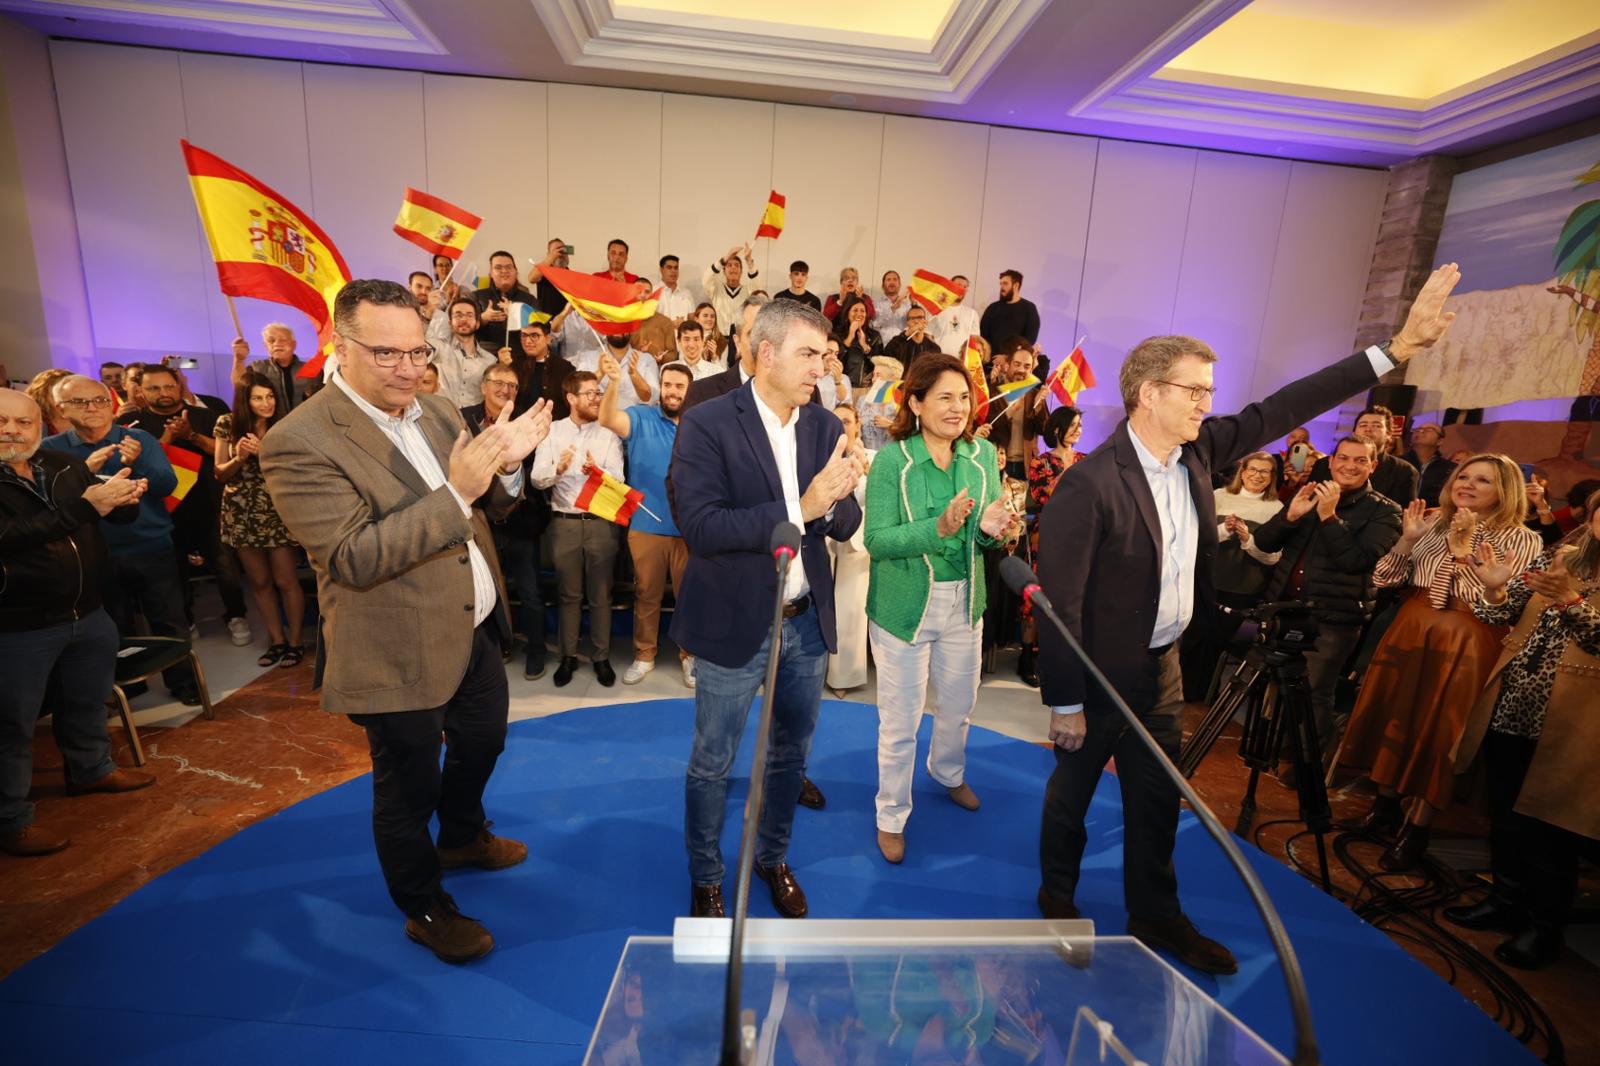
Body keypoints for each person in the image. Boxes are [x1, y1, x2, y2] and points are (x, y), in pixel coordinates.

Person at [1034, 263, 1465, 975]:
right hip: (1098, 675)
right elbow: (1060, 602)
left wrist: (1395, 348)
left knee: (1155, 796)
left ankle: (1156, 913)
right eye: (1195, 390)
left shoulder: (1200, 451)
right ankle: (1056, 900)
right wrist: (1067, 700)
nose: (1209, 402)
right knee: (1072, 794)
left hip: (1163, 665)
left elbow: (1288, 402)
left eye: (1210, 389)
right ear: (1149, 393)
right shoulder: (1089, 484)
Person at [260, 278, 554, 964]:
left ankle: (461, 835)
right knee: (406, 788)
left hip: (472, 630)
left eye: (417, 351)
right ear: (339, 344)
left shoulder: (437, 409)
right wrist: (461, 490)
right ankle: (424, 905)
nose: (408, 368)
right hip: (392, 646)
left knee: (483, 744)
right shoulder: (298, 440)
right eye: (386, 353)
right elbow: (354, 557)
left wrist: (507, 465)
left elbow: (487, 506)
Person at [670, 298, 864, 919]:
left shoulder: (825, 427)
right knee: (713, 759)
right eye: (809, 354)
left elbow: (845, 519)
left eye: (825, 355)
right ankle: (706, 876)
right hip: (734, 621)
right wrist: (799, 509)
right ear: (767, 354)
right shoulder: (706, 422)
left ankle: (772, 857)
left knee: (789, 754)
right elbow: (700, 525)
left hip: (804, 620)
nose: (821, 367)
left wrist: (834, 504)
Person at [1336, 453, 1542, 870]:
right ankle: (1385, 807)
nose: (1466, 484)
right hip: (1413, 625)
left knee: (1443, 729)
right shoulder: (1431, 522)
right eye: (1463, 476)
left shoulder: (1523, 539)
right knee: (1398, 715)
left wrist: (1464, 554)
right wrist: (1408, 540)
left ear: (1505, 491)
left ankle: (1419, 826)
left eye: (1482, 480)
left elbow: (1494, 602)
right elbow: (1384, 578)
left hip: (1470, 637)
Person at [864, 355, 1018, 864]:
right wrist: (941, 527)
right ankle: (891, 814)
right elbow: (878, 540)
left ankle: (947, 773)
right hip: (904, 610)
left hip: (964, 605)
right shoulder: (893, 461)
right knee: (901, 720)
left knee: (959, 704)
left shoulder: (982, 456)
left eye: (965, 397)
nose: (958, 408)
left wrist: (996, 529)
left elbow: (985, 535)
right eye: (945, 397)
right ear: (915, 402)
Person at [1444, 492, 1600, 969]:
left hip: (1573, 719)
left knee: (1548, 828)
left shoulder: (1570, 580)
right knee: (1507, 813)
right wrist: (1494, 588)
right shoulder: (1566, 558)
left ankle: (1543, 928)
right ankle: (1505, 902)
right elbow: (1499, 613)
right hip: (1514, 702)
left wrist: (1571, 601)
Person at [0, 390, 156, 857]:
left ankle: (91, 770)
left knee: (88, 702)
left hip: (87, 612)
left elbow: (86, 523)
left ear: (40, 424)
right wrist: (89, 506)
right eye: (1, 421)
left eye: (23, 422)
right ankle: (10, 819)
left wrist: (121, 502)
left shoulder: (61, 464)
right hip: (18, 625)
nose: (12, 431)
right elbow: (12, 537)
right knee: (12, 727)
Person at [42, 377, 198, 704]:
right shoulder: (52, 449)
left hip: (151, 545)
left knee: (169, 619)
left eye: (99, 400)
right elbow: (50, 502)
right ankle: (127, 685)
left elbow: (167, 484)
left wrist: (135, 462)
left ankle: (184, 682)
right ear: (61, 409)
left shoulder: (137, 438)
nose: (93, 408)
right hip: (94, 553)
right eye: (81, 402)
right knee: (113, 624)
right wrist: (84, 470)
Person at [1251, 436, 1402, 760]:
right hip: (1285, 610)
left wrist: (1329, 516)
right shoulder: (1309, 494)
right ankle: (1276, 754)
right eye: (1343, 458)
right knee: (1276, 687)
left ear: (1372, 466)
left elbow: (1357, 561)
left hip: (1333, 619)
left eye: (1360, 460)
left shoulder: (1385, 511)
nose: (1350, 465)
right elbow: (1263, 542)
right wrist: (1289, 516)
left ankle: (1309, 768)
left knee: (1314, 693)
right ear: (1331, 462)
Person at [115, 363, 251, 647]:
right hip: (163, 510)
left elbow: (226, 453)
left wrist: (190, 435)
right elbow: (134, 465)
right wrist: (167, 438)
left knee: (225, 564)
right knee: (175, 570)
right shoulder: (132, 425)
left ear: (179, 386)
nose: (163, 393)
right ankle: (186, 619)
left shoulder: (205, 415)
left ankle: (237, 615)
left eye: (168, 386)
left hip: (209, 504)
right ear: (140, 391)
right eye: (154, 388)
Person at [597, 353, 695, 687]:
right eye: (668, 385)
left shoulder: (701, 426)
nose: (672, 391)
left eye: (680, 386)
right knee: (647, 594)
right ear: (659, 387)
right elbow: (608, 418)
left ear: (689, 391)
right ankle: (644, 655)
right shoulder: (641, 417)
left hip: (690, 529)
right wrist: (613, 382)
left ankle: (690, 656)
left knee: (690, 596)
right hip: (646, 526)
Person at [530, 370, 626, 688]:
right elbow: (537, 478)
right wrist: (557, 468)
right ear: (571, 398)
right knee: (568, 595)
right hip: (564, 523)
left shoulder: (608, 434)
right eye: (589, 394)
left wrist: (597, 472)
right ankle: (568, 657)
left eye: (598, 393)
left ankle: (601, 657)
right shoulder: (553, 432)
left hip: (600, 524)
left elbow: (620, 480)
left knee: (601, 595)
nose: (596, 399)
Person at [214, 373, 305, 668]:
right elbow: (220, 473)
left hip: (277, 508)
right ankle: (276, 640)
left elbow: (295, 470)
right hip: (241, 510)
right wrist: (239, 456)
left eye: (270, 396)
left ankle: (295, 642)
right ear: (245, 400)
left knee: (286, 579)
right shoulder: (228, 424)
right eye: (257, 398)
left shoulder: (285, 425)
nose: (266, 403)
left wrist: (263, 452)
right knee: (260, 581)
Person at [1179, 452, 1284, 700]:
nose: (1257, 476)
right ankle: (1180, 694)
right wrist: (1224, 531)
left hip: (1243, 589)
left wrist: (1249, 539)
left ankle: (1205, 697)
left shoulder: (1277, 508)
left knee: (1217, 646)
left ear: (1272, 477)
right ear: (1242, 471)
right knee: (1193, 640)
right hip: (1206, 581)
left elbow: (1273, 558)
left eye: (1264, 472)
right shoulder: (1219, 497)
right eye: (1252, 470)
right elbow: (1197, 540)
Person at [827, 403, 873, 697]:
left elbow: (878, 500)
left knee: (850, 610)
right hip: (823, 539)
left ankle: (843, 678)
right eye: (836, 421)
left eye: (847, 420)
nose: (842, 426)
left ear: (857, 425)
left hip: (857, 543)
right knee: (819, 607)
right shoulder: (820, 456)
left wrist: (868, 476)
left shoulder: (874, 459)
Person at [1307, 405, 1417, 507]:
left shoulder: (1404, 471)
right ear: (1354, 432)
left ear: (1389, 434)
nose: (1368, 429)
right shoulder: (1323, 464)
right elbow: (1309, 501)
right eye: (1363, 425)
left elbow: (1402, 515)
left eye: (1376, 425)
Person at [429, 297, 499, 409]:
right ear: (450, 323)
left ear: (477, 323)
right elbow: (420, 350)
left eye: (469, 315)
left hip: (472, 422)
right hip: (442, 417)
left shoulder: (490, 360)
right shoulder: (439, 347)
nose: (464, 319)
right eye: (458, 315)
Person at [230, 322, 312, 414]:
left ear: (294, 344)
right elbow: (239, 387)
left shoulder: (312, 370)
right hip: (272, 427)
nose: (277, 344)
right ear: (266, 346)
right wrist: (239, 360)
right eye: (271, 340)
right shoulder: (257, 368)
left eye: (283, 340)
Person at [474, 250, 539, 352]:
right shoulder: (477, 296)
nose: (504, 271)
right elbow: (464, 327)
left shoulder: (529, 299)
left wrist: (516, 316)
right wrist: (483, 318)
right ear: (490, 273)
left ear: (515, 271)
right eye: (498, 267)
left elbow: (540, 328)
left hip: (520, 354)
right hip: (486, 355)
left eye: (508, 267)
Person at [702, 243, 759, 342]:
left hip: (740, 341)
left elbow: (757, 289)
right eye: (729, 265)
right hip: (719, 340)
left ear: (741, 271)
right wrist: (724, 259)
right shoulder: (716, 289)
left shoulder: (748, 290)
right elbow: (706, 279)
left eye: (737, 266)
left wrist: (749, 261)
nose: (733, 268)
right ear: (723, 271)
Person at [979, 270, 1040, 349]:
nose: (1002, 287)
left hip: (1015, 359)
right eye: (1001, 284)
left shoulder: (1029, 308)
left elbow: (1030, 339)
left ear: (1016, 285)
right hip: (992, 359)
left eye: (1005, 283)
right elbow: (983, 335)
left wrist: (1008, 357)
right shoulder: (992, 308)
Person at [854, 356, 902, 454]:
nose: (873, 379)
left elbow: (914, 432)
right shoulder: (863, 400)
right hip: (866, 456)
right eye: (873, 375)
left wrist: (891, 425)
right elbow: (856, 431)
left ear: (892, 379)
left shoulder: (902, 401)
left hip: (892, 458)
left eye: (878, 375)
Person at [1400, 421, 1454, 506]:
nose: (1421, 431)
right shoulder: (1398, 462)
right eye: (1417, 429)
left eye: (1429, 429)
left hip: (1432, 515)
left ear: (1439, 441)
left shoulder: (1450, 468)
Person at [832, 298, 882, 387]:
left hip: (865, 388)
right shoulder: (836, 335)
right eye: (855, 310)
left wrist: (865, 346)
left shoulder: (874, 336)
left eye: (862, 311)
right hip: (840, 385)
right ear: (847, 314)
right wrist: (850, 337)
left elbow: (879, 365)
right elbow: (833, 360)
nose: (859, 314)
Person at [884, 304, 942, 376]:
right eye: (912, 318)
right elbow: (887, 355)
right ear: (907, 322)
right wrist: (907, 334)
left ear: (925, 321)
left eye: (920, 317)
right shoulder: (898, 342)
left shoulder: (933, 348)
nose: (917, 321)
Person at [655, 254, 696, 323]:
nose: (673, 271)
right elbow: (649, 322)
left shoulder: (686, 293)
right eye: (669, 267)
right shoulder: (653, 291)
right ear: (661, 270)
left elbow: (692, 320)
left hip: (683, 333)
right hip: (660, 333)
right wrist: (671, 325)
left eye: (676, 268)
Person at [872, 270, 911, 338]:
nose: (892, 282)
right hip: (883, 344)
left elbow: (911, 325)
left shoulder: (907, 305)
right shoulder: (876, 303)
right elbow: (875, 325)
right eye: (888, 280)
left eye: (895, 279)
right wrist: (892, 309)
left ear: (899, 284)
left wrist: (914, 302)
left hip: (902, 344)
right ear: (883, 285)